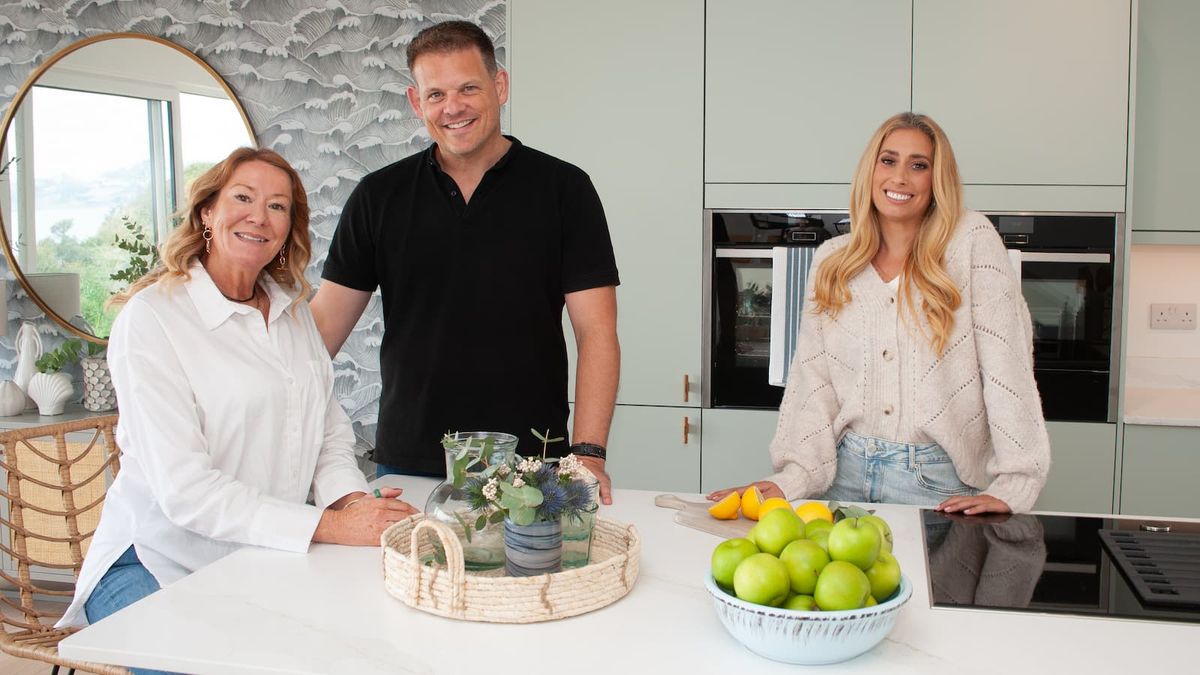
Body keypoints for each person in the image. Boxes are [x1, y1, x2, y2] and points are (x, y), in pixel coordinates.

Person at [58, 148, 418, 634]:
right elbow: (186, 491)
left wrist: (354, 505)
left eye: (277, 206)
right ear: (208, 211)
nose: (259, 216)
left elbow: (328, 438)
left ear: (289, 227)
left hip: (255, 555)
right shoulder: (152, 318)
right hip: (151, 558)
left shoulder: (293, 314)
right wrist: (332, 527)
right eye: (243, 197)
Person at [311, 20, 621, 503]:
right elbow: (319, 333)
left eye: (468, 88)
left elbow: (596, 332)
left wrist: (588, 452)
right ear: (417, 103)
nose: (452, 107)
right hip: (409, 461)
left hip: (532, 463)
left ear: (500, 87)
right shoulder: (379, 196)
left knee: (535, 582)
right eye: (435, 94)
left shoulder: (565, 190)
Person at [710, 112, 1050, 515]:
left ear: (936, 179)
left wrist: (1015, 485)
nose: (900, 177)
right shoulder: (833, 261)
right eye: (888, 161)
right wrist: (792, 477)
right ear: (870, 169)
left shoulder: (972, 243)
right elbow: (813, 382)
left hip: (937, 483)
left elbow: (1006, 369)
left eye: (918, 165)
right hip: (842, 476)